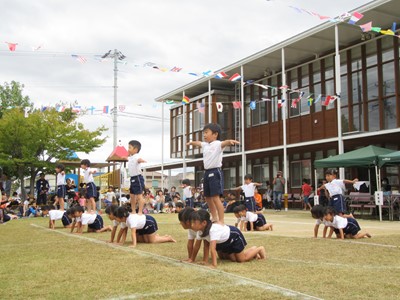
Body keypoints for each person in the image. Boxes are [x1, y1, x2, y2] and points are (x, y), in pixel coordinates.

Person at [186, 123, 240, 224]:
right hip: (206, 172)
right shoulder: (205, 145)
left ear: (215, 134)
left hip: (215, 172)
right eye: (203, 133)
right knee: (207, 197)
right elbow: (198, 143)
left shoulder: (217, 144)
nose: (204, 135)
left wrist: (229, 141)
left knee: (215, 197)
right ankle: (214, 217)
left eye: (206, 133)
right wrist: (191, 143)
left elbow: (224, 143)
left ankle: (221, 220)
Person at [189, 210, 266, 268]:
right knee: (226, 258)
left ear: (204, 223)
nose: (192, 225)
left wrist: (213, 264)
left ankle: (259, 249)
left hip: (233, 235)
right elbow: (204, 246)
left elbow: (212, 248)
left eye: (194, 223)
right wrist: (202, 260)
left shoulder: (213, 229)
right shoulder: (200, 231)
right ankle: (253, 249)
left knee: (241, 259)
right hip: (224, 241)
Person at [127, 140, 146, 215]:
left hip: (137, 178)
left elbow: (138, 160)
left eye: (129, 147)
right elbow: (126, 157)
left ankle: (140, 212)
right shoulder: (130, 157)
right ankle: (133, 211)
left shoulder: (137, 156)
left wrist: (141, 160)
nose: (128, 149)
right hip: (132, 178)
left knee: (139, 196)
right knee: (132, 196)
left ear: (135, 149)